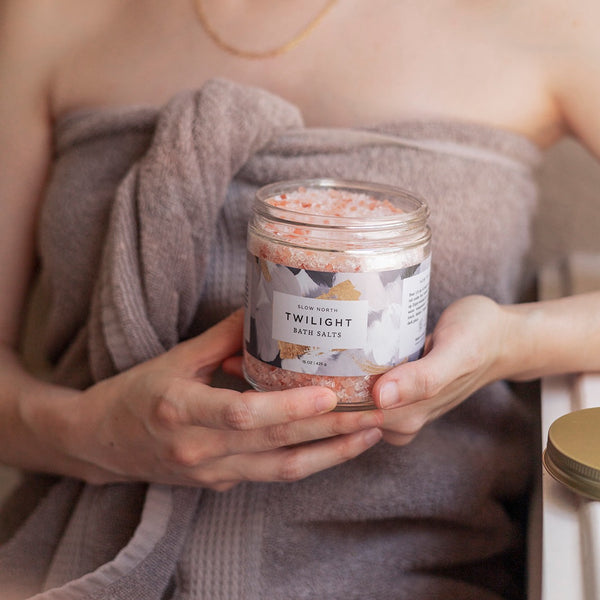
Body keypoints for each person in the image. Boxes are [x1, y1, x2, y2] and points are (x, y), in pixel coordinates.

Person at [1, 0, 599, 598]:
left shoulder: (555, 18)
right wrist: (92, 434)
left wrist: (507, 343)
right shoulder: (49, 16)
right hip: (68, 558)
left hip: (412, 572)